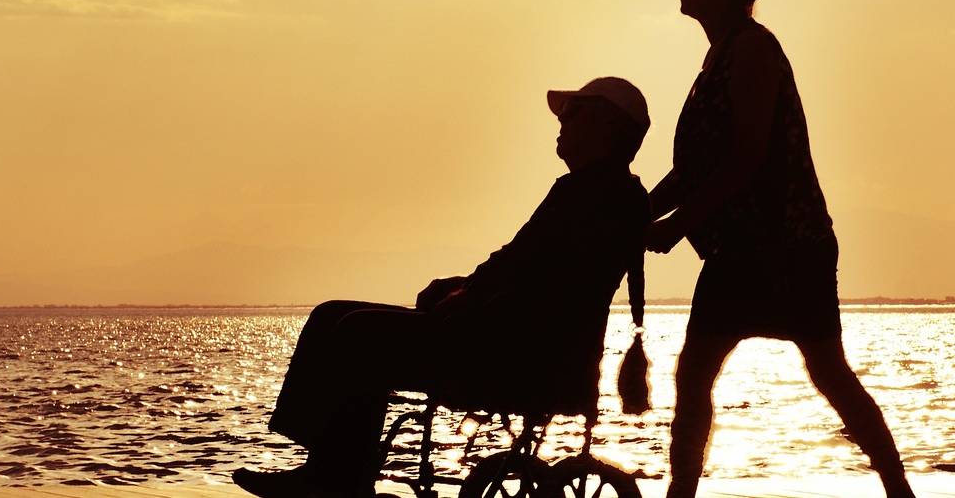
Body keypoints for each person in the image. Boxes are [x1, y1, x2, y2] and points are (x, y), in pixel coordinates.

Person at [233, 77, 653, 498]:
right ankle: (326, 466)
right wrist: (466, 287)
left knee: (358, 332)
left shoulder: (593, 193)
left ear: (605, 125)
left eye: (573, 113)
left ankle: (336, 478)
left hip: (510, 353)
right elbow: (527, 265)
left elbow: (526, 268)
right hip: (512, 340)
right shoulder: (606, 192)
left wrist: (468, 294)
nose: (561, 123)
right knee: (331, 314)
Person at [643, 0, 917, 497]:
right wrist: (640, 211)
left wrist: (676, 225)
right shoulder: (718, 57)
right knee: (697, 371)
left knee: (826, 372)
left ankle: (898, 489)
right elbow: (693, 166)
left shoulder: (753, 51)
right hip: (736, 249)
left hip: (787, 248)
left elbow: (746, 155)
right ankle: (681, 493)